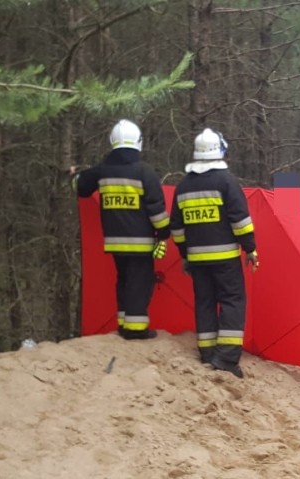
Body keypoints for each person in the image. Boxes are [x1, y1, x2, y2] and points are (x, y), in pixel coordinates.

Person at [170, 128, 258, 379]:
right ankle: (227, 358)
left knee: (205, 302)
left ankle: (208, 353)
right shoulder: (226, 181)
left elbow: (176, 227)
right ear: (221, 150)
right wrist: (250, 248)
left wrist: (185, 254)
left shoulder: (184, 186)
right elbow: (240, 220)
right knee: (232, 301)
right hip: (225, 258)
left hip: (197, 260)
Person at [71, 119, 170, 340]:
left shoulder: (102, 171)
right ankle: (135, 330)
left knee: (124, 280)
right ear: (138, 142)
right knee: (139, 282)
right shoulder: (145, 172)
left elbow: (81, 187)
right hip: (141, 241)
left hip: (114, 241)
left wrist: (75, 175)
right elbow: (156, 210)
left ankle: (125, 323)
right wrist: (164, 233)